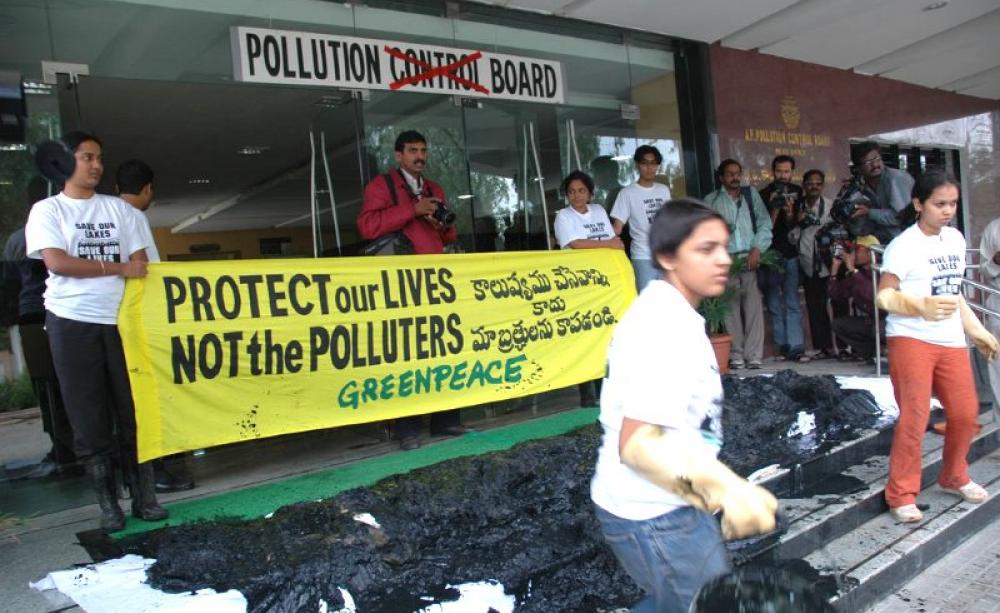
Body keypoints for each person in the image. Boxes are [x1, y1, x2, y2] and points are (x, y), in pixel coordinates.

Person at [591, 198, 777, 612]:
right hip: (652, 515)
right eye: (705, 249)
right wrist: (727, 488)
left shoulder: (677, 316)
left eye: (724, 247)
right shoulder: (661, 326)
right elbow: (637, 444)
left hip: (676, 502)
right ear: (666, 257)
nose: (723, 260)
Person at [25, 131, 168, 531]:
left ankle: (145, 496)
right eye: (87, 157)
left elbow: (143, 263)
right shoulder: (47, 211)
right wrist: (119, 268)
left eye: (99, 158)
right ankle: (108, 505)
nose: (96, 165)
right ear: (64, 162)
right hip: (71, 321)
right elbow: (57, 262)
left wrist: (127, 269)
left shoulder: (123, 212)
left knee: (133, 408)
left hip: (123, 322)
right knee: (87, 414)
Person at [876, 171, 997, 523]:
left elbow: (952, 291)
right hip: (910, 338)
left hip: (950, 340)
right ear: (919, 204)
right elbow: (884, 295)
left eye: (952, 204)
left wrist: (975, 330)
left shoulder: (955, 239)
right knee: (915, 418)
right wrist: (919, 307)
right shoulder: (904, 245)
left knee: (965, 413)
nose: (947, 211)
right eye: (939, 204)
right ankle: (901, 493)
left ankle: (953, 474)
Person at [357, 130, 467, 450]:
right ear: (398, 155)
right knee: (406, 354)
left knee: (445, 347)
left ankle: (445, 420)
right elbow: (367, 227)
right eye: (412, 150)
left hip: (434, 280)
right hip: (399, 285)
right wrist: (412, 211)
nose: (420, 156)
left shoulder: (435, 188)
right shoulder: (382, 186)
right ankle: (407, 428)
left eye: (423, 150)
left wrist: (440, 225)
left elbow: (448, 237)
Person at [115, 159, 196, 492]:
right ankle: (154, 472)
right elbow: (151, 272)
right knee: (149, 397)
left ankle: (133, 473)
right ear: (148, 188)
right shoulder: (134, 218)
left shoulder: (109, 214)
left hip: (115, 320)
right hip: (140, 323)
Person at [3, 177, 77, 474]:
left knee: (48, 385)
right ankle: (66, 446)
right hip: (47, 313)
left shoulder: (16, 239)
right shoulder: (57, 231)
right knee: (62, 384)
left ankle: (63, 446)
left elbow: (9, 283)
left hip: (35, 315)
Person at [554, 169, 624, 407]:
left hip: (603, 281)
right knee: (585, 335)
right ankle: (587, 395)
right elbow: (575, 244)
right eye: (571, 191)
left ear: (590, 193)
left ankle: (605, 389)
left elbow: (610, 240)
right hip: (577, 283)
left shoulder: (599, 211)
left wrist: (611, 245)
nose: (576, 195)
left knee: (605, 334)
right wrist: (607, 244)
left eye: (581, 190)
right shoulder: (563, 216)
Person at [704, 159, 772, 369]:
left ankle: (754, 356)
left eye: (737, 173)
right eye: (730, 174)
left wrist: (757, 249)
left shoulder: (751, 195)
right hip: (726, 261)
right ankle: (736, 355)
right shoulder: (712, 200)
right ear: (721, 177)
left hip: (750, 258)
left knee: (753, 308)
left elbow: (764, 224)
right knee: (730, 309)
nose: (735, 177)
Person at [758, 155, 806, 361]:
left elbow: (796, 224)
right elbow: (764, 226)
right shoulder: (763, 194)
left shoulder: (798, 192)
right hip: (770, 254)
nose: (783, 175)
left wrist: (789, 211)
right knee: (774, 303)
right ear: (773, 171)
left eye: (787, 171)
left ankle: (796, 346)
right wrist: (775, 208)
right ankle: (782, 346)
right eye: (779, 171)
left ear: (792, 172)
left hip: (790, 254)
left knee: (792, 301)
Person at [610, 145, 671, 291]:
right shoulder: (627, 193)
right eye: (645, 163)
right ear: (637, 165)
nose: (649, 167)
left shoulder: (663, 190)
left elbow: (670, 222)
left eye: (653, 163)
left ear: (657, 166)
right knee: (647, 303)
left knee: (668, 303)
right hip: (642, 256)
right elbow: (617, 228)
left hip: (665, 255)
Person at [790, 169, 836, 358]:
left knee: (835, 304)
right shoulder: (797, 207)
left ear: (822, 186)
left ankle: (838, 347)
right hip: (807, 263)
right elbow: (791, 238)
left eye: (818, 183)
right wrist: (799, 222)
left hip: (829, 262)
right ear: (804, 185)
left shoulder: (831, 206)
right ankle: (820, 347)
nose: (814, 186)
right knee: (814, 306)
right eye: (810, 183)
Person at [828, 235, 882, 362]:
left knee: (878, 329)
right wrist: (834, 270)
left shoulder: (884, 269)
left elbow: (872, 295)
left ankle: (884, 351)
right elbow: (836, 294)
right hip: (871, 321)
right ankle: (871, 353)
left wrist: (853, 269)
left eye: (857, 250)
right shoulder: (857, 273)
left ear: (870, 252)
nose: (853, 254)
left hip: (889, 320)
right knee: (839, 325)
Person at [849, 141, 914, 243]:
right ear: (858, 168)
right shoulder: (862, 186)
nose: (875, 164)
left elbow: (901, 217)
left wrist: (869, 212)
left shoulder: (895, 178)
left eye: (877, 159)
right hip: (883, 244)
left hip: (907, 243)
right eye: (868, 162)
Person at [978, 217, 1000, 411]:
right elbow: (983, 270)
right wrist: (995, 261)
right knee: (998, 368)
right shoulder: (994, 229)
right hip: (997, 308)